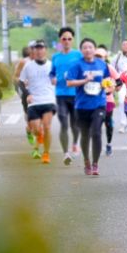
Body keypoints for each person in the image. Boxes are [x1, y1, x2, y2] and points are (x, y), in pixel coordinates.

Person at [67, 38, 110, 175]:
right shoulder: (77, 65)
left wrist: (108, 85)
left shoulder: (102, 64)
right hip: (82, 106)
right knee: (85, 135)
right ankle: (86, 160)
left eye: (90, 47)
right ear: (81, 50)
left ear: (94, 49)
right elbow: (69, 83)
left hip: (99, 104)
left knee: (96, 132)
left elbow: (107, 80)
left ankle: (95, 163)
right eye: (85, 47)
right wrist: (85, 80)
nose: (88, 50)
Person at [19, 39, 58, 164]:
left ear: (45, 50)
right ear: (34, 51)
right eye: (37, 48)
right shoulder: (28, 66)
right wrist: (27, 94)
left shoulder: (52, 65)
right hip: (34, 102)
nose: (39, 51)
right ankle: (39, 136)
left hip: (48, 100)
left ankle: (46, 153)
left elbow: (58, 79)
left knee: (47, 127)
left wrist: (56, 81)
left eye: (41, 48)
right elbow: (21, 82)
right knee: (36, 129)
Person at [48, 27, 82, 165]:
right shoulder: (55, 57)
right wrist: (52, 78)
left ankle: (75, 143)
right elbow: (51, 72)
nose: (67, 41)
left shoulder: (78, 55)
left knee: (75, 124)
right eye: (64, 39)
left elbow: (84, 70)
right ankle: (65, 153)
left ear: (72, 40)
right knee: (63, 123)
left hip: (76, 94)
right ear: (60, 40)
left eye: (69, 39)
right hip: (61, 94)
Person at [95, 45, 121, 156]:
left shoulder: (108, 67)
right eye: (96, 56)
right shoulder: (89, 68)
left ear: (105, 57)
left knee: (108, 123)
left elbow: (119, 81)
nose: (98, 58)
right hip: (94, 100)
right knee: (96, 124)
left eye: (100, 56)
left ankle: (109, 144)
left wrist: (112, 87)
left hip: (108, 99)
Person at [13, 46, 37, 152]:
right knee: (28, 112)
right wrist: (22, 81)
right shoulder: (23, 62)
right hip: (26, 91)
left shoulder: (41, 62)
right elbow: (15, 76)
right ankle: (29, 129)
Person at [111, 39, 127, 134]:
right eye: (124, 44)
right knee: (121, 101)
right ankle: (123, 124)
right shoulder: (117, 57)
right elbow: (112, 70)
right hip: (122, 83)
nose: (125, 46)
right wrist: (114, 82)